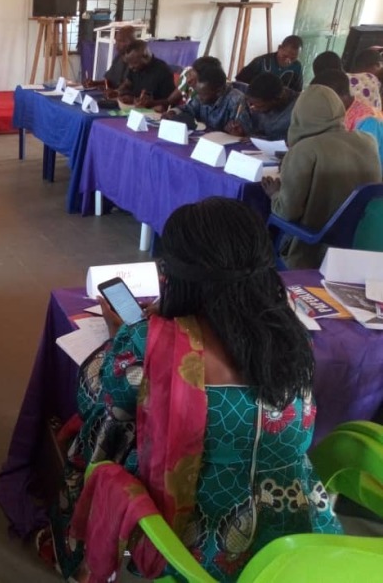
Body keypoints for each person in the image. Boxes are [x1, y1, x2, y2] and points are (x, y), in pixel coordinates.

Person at [43, 198, 342, 582]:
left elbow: (92, 395)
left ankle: (77, 554)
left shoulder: (145, 344)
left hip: (197, 541)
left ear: (173, 278)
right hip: (296, 536)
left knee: (100, 433)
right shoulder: (290, 337)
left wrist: (128, 339)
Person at [262, 85, 381, 269]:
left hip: (313, 250)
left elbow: (286, 212)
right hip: (362, 246)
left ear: (299, 115)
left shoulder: (304, 150)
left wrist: (274, 194)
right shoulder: (368, 141)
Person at [311, 69, 383, 170]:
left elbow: (360, 169)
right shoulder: (343, 113)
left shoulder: (368, 122)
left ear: (342, 96)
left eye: (323, 100)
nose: (320, 106)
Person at [165, 64, 246, 132]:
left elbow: (242, 130)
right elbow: (188, 109)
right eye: (198, 93)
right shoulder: (201, 93)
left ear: (218, 91)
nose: (198, 97)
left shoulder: (237, 100)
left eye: (202, 94)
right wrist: (173, 112)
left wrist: (236, 130)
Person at [230, 72, 297, 140]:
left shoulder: (297, 110)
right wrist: (242, 131)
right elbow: (253, 131)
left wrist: (258, 139)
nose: (253, 108)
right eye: (250, 104)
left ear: (276, 100)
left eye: (260, 106)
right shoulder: (254, 100)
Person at [117, 40, 176, 108]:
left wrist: (151, 103)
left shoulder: (163, 70)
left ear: (146, 57)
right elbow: (128, 85)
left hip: (154, 112)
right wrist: (124, 94)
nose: (130, 67)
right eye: (129, 63)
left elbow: (170, 101)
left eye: (134, 63)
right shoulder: (134, 69)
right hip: (135, 108)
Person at [236, 35, 304, 92]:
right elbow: (240, 82)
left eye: (293, 58)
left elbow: (297, 91)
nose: (288, 60)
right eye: (285, 56)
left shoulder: (297, 67)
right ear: (279, 48)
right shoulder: (261, 61)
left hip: (280, 104)